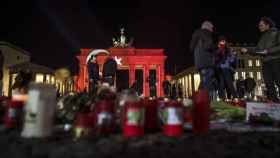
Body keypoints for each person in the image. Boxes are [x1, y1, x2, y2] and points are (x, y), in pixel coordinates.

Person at [242, 17, 280, 102]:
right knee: (268, 83)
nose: (259, 27)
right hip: (265, 62)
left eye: (261, 25)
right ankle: (274, 101)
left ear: (267, 25)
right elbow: (258, 50)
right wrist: (247, 50)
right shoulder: (262, 38)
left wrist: (268, 51)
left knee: (278, 81)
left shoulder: (276, 33)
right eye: (259, 26)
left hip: (276, 60)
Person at [190, 21, 216, 98]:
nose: (212, 29)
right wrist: (213, 49)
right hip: (207, 61)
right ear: (208, 27)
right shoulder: (206, 33)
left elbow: (191, 47)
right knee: (207, 82)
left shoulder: (196, 34)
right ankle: (205, 102)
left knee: (203, 82)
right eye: (211, 28)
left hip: (199, 63)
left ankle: (195, 99)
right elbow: (208, 44)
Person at [215, 36, 238, 100]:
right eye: (221, 41)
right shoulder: (217, 49)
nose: (222, 42)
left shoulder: (228, 49)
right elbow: (214, 58)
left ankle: (235, 96)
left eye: (223, 41)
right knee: (221, 84)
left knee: (229, 82)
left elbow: (231, 60)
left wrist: (233, 55)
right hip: (219, 68)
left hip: (226, 68)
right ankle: (222, 97)